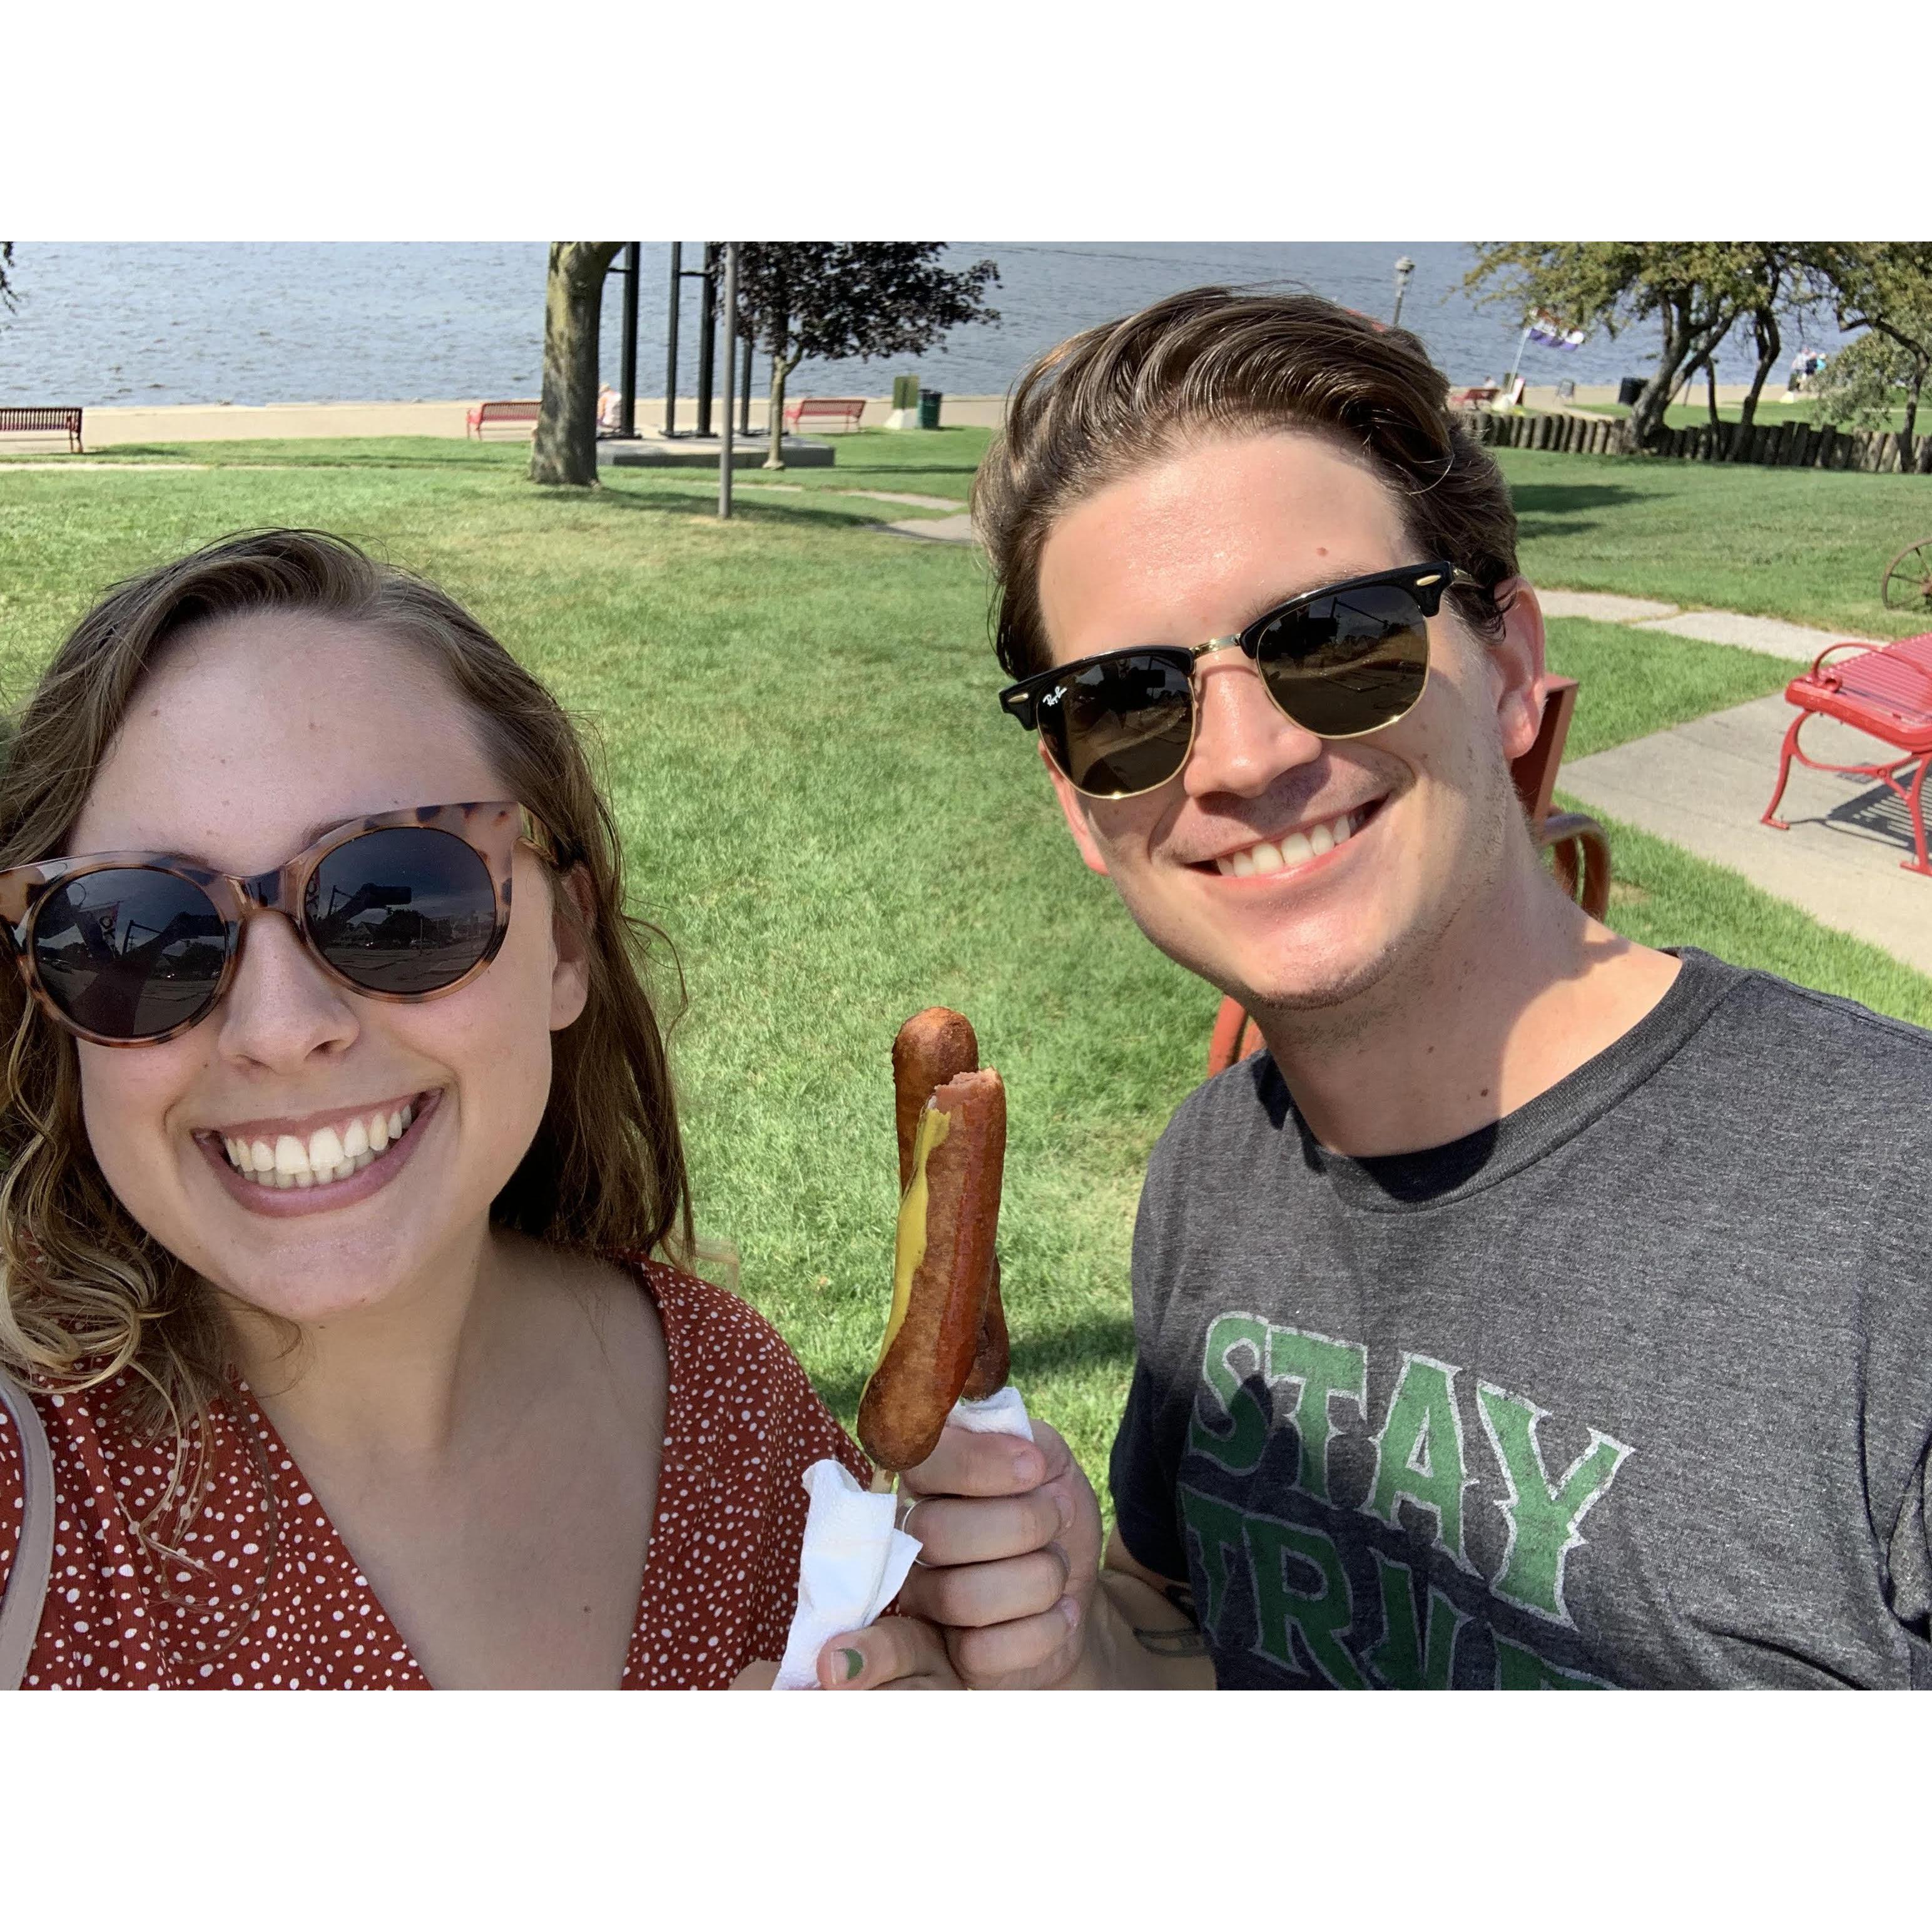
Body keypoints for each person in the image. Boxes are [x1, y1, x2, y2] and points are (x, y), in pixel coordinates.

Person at [885, 287, 1932, 1689]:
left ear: (1511, 670)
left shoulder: (1894, 1216)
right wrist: (1076, 1639)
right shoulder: (1212, 1167)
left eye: (1334, 637)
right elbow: (1194, 1615)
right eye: (1127, 700)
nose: (1241, 759)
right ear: (1079, 801)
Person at [0, 529, 955, 1690]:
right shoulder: (26, 1485)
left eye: (398, 898)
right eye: (137, 933)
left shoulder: (733, 1413)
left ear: (567, 946)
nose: (279, 1028)